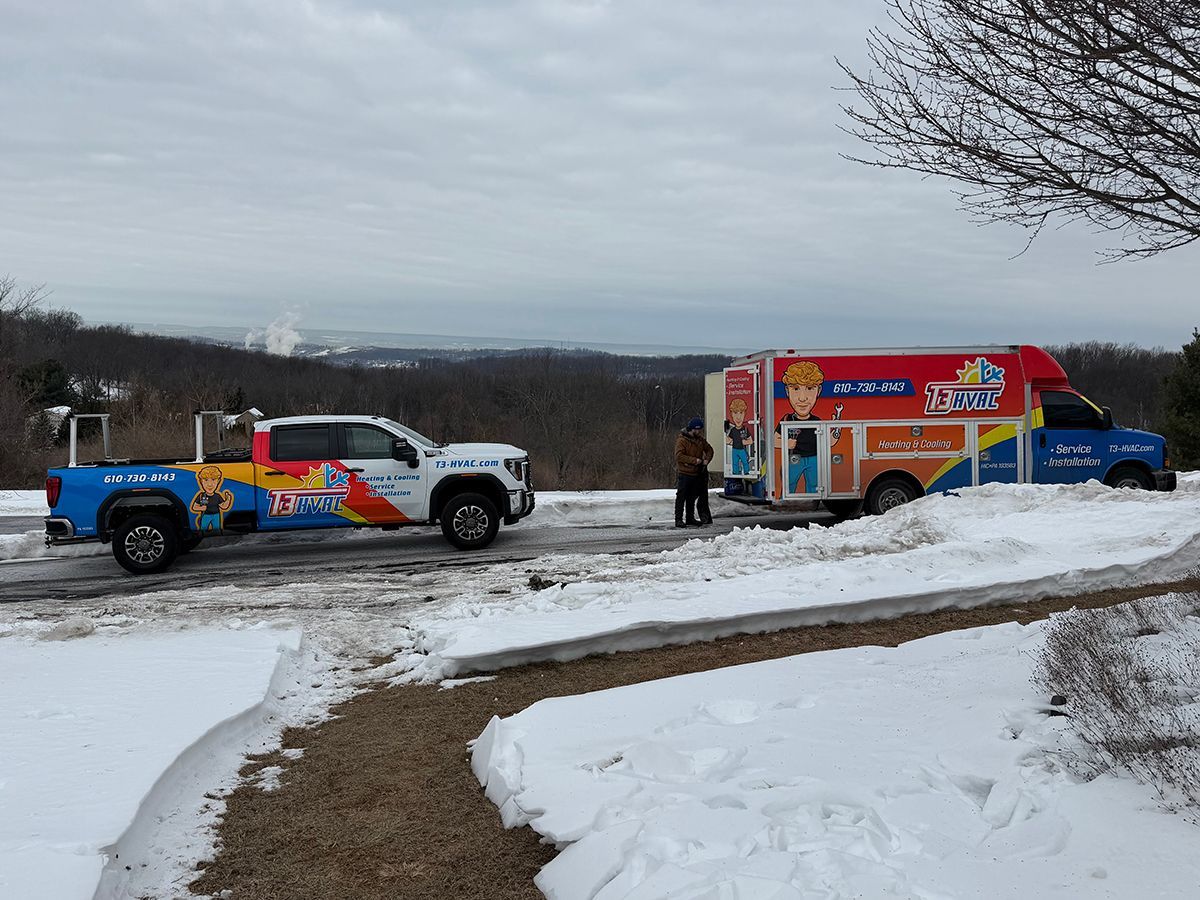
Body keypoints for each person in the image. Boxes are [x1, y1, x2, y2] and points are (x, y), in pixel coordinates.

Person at [774, 360, 823, 494]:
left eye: (810, 388)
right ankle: (786, 503)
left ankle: (813, 503)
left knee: (814, 486)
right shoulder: (787, 419)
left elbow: (828, 441)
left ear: (819, 391)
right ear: (787, 391)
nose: (802, 398)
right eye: (795, 389)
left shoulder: (817, 421)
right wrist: (786, 443)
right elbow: (774, 440)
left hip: (814, 457)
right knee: (789, 484)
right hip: (794, 458)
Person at [675, 417, 714, 527]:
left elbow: (709, 449)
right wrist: (694, 460)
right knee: (681, 496)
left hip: (696, 473)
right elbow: (679, 456)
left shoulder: (700, 440)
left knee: (691, 497)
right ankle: (678, 519)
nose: (699, 432)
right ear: (692, 429)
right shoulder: (682, 440)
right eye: (697, 430)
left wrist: (707, 459)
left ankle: (690, 518)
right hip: (685, 473)